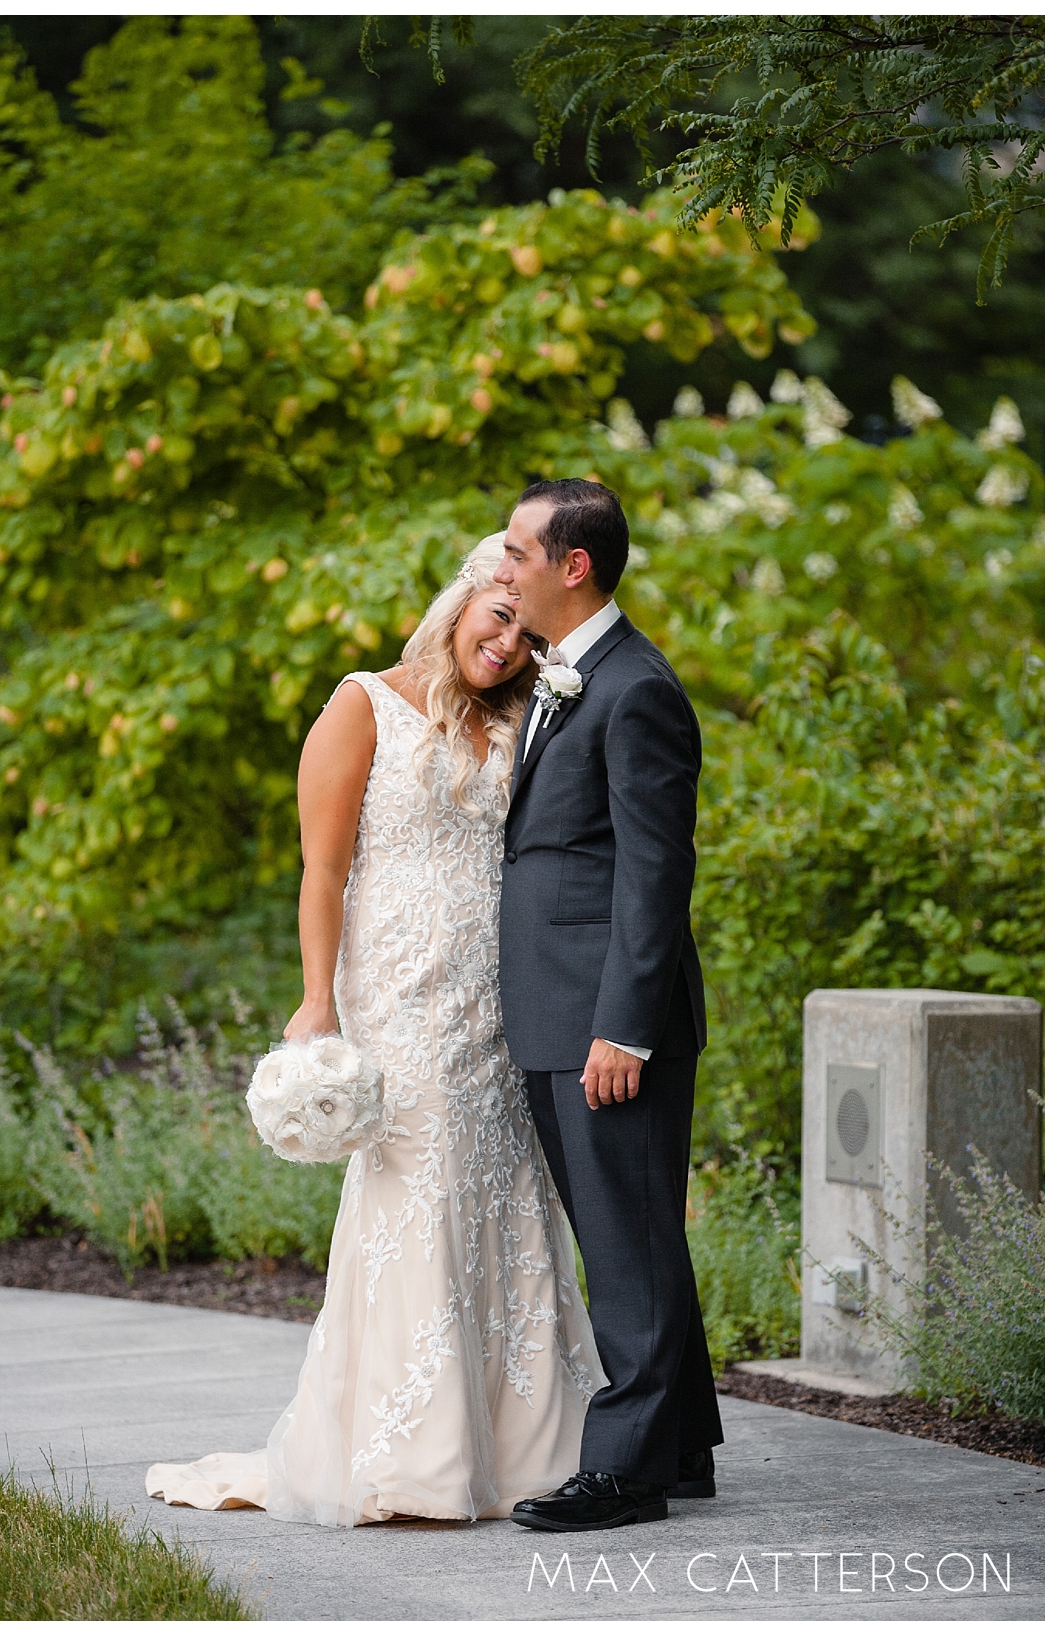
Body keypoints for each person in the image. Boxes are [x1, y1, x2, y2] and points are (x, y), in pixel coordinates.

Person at [146, 536, 600, 1526]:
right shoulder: (362, 702)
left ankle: (526, 1450)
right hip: (399, 994)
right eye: (498, 618)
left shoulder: (528, 715)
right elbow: (322, 870)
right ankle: (408, 1453)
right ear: (465, 598)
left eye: (529, 634)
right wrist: (315, 1000)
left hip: (500, 996)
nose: (508, 644)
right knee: (420, 1191)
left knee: (510, 1194)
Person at [491, 479, 721, 1533]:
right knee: (623, 1235)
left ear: (569, 564)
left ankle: (623, 1472)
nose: (501, 569)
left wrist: (621, 1025)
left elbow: (653, 873)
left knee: (627, 1242)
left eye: (514, 552)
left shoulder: (634, 688)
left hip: (606, 1025)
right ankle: (676, 1445)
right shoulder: (561, 678)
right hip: (558, 1011)